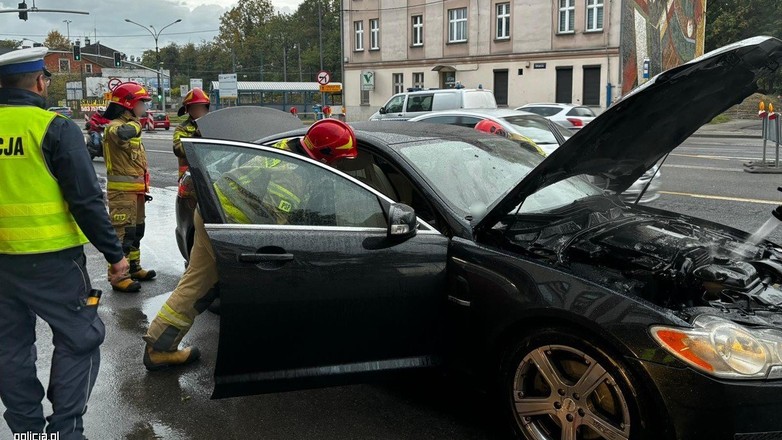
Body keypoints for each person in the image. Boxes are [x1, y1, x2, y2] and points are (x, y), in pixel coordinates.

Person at [142, 118, 357, 370]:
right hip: (229, 222)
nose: (340, 165)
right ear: (325, 153)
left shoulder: (289, 147)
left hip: (212, 211)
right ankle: (162, 349)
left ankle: (159, 346)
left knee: (196, 283)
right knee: (206, 286)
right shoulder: (291, 175)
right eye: (339, 159)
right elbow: (276, 225)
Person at [0, 47, 129, 440]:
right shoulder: (53, 128)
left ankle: (26, 433)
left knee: (9, 350)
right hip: (53, 261)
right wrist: (115, 254)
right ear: (40, 81)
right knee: (80, 338)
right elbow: (87, 200)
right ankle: (65, 432)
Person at [103, 82, 156, 292]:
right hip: (122, 194)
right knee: (122, 235)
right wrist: (138, 124)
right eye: (141, 103)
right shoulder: (114, 127)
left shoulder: (132, 125)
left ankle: (133, 268)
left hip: (136, 192)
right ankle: (118, 277)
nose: (144, 108)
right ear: (128, 104)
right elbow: (123, 133)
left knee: (136, 232)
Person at [173, 87, 210, 180]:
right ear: (189, 110)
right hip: (189, 177)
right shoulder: (182, 128)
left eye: (202, 107)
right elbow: (178, 150)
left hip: (211, 174)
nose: (199, 110)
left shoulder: (212, 125)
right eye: (195, 107)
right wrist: (196, 137)